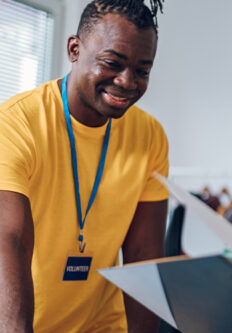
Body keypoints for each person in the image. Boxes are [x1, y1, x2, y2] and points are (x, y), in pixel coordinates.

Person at [0, 0, 169, 332]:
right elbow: (10, 238)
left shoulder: (150, 136)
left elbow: (143, 255)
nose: (126, 82)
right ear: (74, 49)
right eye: (111, 63)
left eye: (142, 71)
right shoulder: (17, 123)